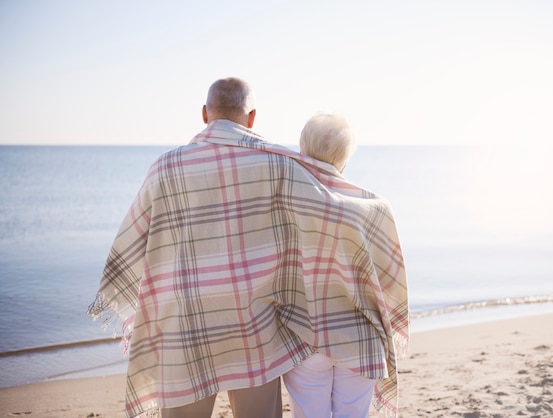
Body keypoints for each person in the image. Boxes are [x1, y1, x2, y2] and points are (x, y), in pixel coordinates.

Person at [88, 77, 409, 418]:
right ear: (252, 117)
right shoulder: (278, 165)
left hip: (183, 327)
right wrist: (378, 211)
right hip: (252, 328)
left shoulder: (165, 168)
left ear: (204, 114)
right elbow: (327, 202)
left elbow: (132, 242)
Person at [281, 113, 402, 418]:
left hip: (305, 334)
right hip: (360, 336)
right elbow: (390, 282)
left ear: (301, 148)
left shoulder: (284, 202)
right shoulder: (374, 208)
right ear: (346, 159)